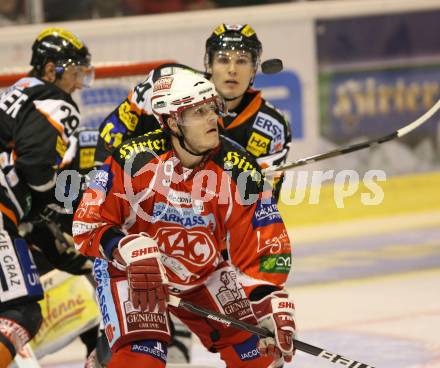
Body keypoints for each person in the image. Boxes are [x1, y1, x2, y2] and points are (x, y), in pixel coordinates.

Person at [73, 71, 296, 367]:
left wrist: (267, 299)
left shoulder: (238, 168)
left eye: (212, 108)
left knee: (262, 356)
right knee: (141, 359)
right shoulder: (133, 159)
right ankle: (108, 355)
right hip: (133, 272)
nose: (212, 119)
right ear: (172, 123)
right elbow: (88, 224)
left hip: (202, 271)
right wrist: (124, 248)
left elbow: (264, 241)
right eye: (198, 112)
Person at [94, 23, 290, 202]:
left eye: (242, 61)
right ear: (209, 64)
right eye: (223, 60)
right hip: (143, 202)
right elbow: (112, 132)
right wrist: (101, 192)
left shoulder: (272, 127)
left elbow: (263, 202)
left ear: (254, 68)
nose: (232, 70)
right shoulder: (164, 86)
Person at [0, 27, 93, 366]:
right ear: (51, 69)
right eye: (74, 72)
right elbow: (38, 171)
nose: (79, 82)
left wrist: (56, 242)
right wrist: (66, 209)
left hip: (8, 213)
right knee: (20, 311)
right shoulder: (55, 101)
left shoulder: (18, 93)